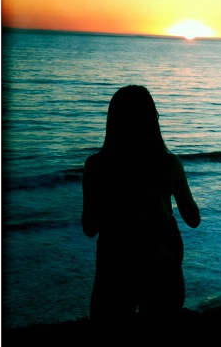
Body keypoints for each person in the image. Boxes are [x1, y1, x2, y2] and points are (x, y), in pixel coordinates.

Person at [81, 85, 200, 327]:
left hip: (114, 268)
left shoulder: (96, 165)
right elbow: (193, 219)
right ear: (152, 120)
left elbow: (89, 227)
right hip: (163, 266)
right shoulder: (169, 163)